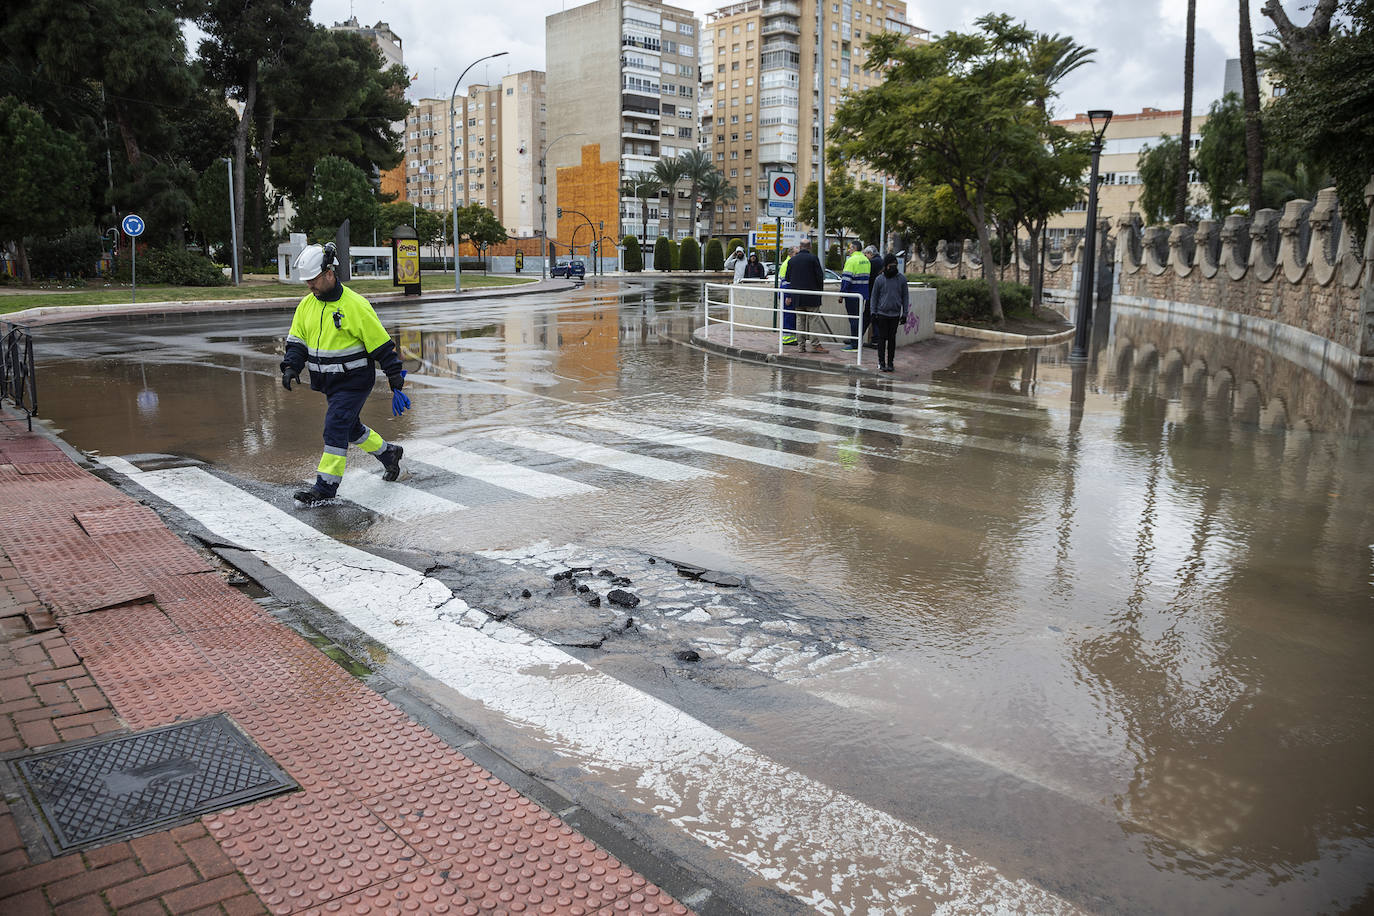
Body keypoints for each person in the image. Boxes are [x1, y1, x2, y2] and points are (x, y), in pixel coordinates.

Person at [280, 243, 407, 506]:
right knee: (350, 429)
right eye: (307, 282)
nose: (310, 287)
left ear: (329, 273)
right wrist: (292, 366)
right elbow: (297, 342)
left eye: (313, 281)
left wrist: (395, 380)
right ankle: (389, 454)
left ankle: (325, 487)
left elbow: (382, 347)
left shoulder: (356, 305)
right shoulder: (306, 305)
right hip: (329, 382)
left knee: (335, 426)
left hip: (355, 381)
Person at [869, 253, 909, 373]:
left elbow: (905, 297)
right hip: (882, 314)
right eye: (891, 265)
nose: (893, 267)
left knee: (892, 339)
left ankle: (890, 363)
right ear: (886, 266)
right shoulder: (879, 279)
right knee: (882, 339)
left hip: (895, 315)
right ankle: (881, 362)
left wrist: (905, 313)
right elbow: (874, 297)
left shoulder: (901, 279)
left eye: (895, 265)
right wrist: (873, 312)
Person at [786, 239, 826, 354]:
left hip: (797, 297)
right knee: (813, 320)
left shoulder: (792, 260)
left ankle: (801, 346)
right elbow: (819, 277)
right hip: (812, 296)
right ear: (810, 247)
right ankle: (815, 345)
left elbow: (788, 278)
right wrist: (820, 292)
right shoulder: (813, 258)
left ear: (800, 246)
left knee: (800, 321)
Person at [838, 242, 871, 351]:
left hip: (852, 294)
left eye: (850, 248)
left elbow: (846, 279)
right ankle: (857, 342)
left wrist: (842, 294)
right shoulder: (866, 260)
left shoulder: (851, 260)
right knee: (858, 318)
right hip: (862, 295)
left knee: (853, 320)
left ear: (854, 248)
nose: (848, 250)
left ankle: (854, 345)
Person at [779, 244, 799, 345]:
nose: (798, 255)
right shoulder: (788, 263)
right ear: (790, 254)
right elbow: (787, 282)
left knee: (790, 316)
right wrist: (788, 296)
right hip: (787, 293)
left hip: (787, 292)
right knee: (788, 316)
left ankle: (790, 337)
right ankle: (788, 339)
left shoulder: (788, 262)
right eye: (796, 253)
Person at [864, 245, 882, 348]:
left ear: (870, 254)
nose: (865, 257)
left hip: (872, 294)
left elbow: (868, 278)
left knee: (868, 316)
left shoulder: (872, 263)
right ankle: (875, 341)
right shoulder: (881, 261)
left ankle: (856, 338)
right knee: (874, 317)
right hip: (881, 295)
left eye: (866, 254)